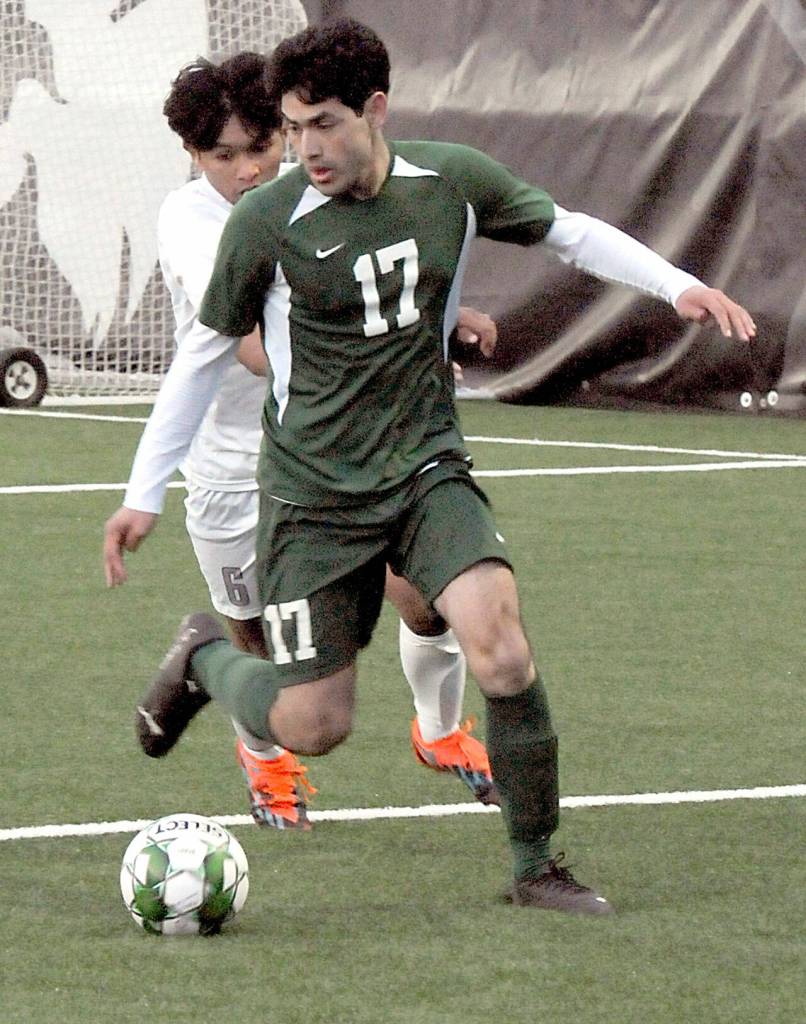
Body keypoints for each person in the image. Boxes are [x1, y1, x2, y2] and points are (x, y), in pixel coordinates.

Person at [104, 20, 756, 914]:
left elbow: (567, 231)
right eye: (292, 129)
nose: (305, 150)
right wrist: (142, 491)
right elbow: (206, 354)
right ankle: (208, 657)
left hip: (423, 468)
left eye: (322, 124)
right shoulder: (267, 219)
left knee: (503, 647)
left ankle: (536, 868)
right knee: (314, 724)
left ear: (376, 109)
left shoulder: (448, 181)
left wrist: (676, 283)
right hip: (313, 495)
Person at [107, 51, 500, 832]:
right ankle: (264, 757)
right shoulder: (190, 220)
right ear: (191, 156)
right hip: (229, 472)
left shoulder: (318, 192)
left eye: (263, 146)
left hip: (348, 457)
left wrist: (441, 321)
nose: (249, 168)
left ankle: (440, 730)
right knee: (269, 654)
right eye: (224, 155)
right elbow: (249, 340)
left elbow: (375, 280)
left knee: (430, 597)